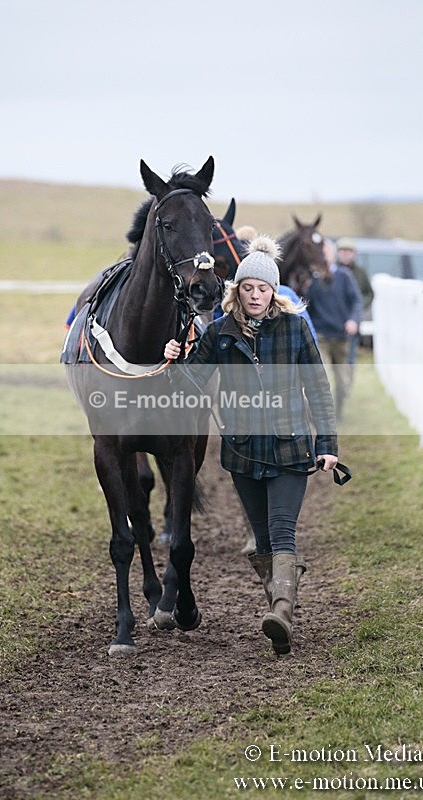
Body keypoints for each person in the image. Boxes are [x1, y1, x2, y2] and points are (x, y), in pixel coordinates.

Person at [164, 236, 339, 655]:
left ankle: (281, 610)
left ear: (273, 292)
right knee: (262, 540)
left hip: (290, 448)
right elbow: (189, 385)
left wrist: (327, 443)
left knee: (282, 533)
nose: (255, 295)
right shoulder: (220, 333)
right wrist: (172, 360)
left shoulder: (295, 328)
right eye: (248, 288)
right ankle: (281, 618)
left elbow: (318, 388)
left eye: (263, 289)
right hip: (243, 452)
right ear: (236, 290)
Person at [303, 239, 362, 421]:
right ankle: (321, 416)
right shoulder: (313, 280)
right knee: (324, 376)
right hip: (321, 336)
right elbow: (306, 306)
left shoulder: (344, 277)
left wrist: (353, 320)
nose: (324, 254)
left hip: (341, 337)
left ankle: (339, 412)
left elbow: (357, 301)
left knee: (343, 382)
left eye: (327, 251)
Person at [336, 237, 374, 369]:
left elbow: (369, 293)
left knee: (350, 358)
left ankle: (347, 386)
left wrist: (359, 309)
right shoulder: (331, 271)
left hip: (353, 321)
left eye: (348, 251)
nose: (345, 254)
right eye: (342, 250)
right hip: (335, 321)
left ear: (354, 253)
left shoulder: (360, 272)